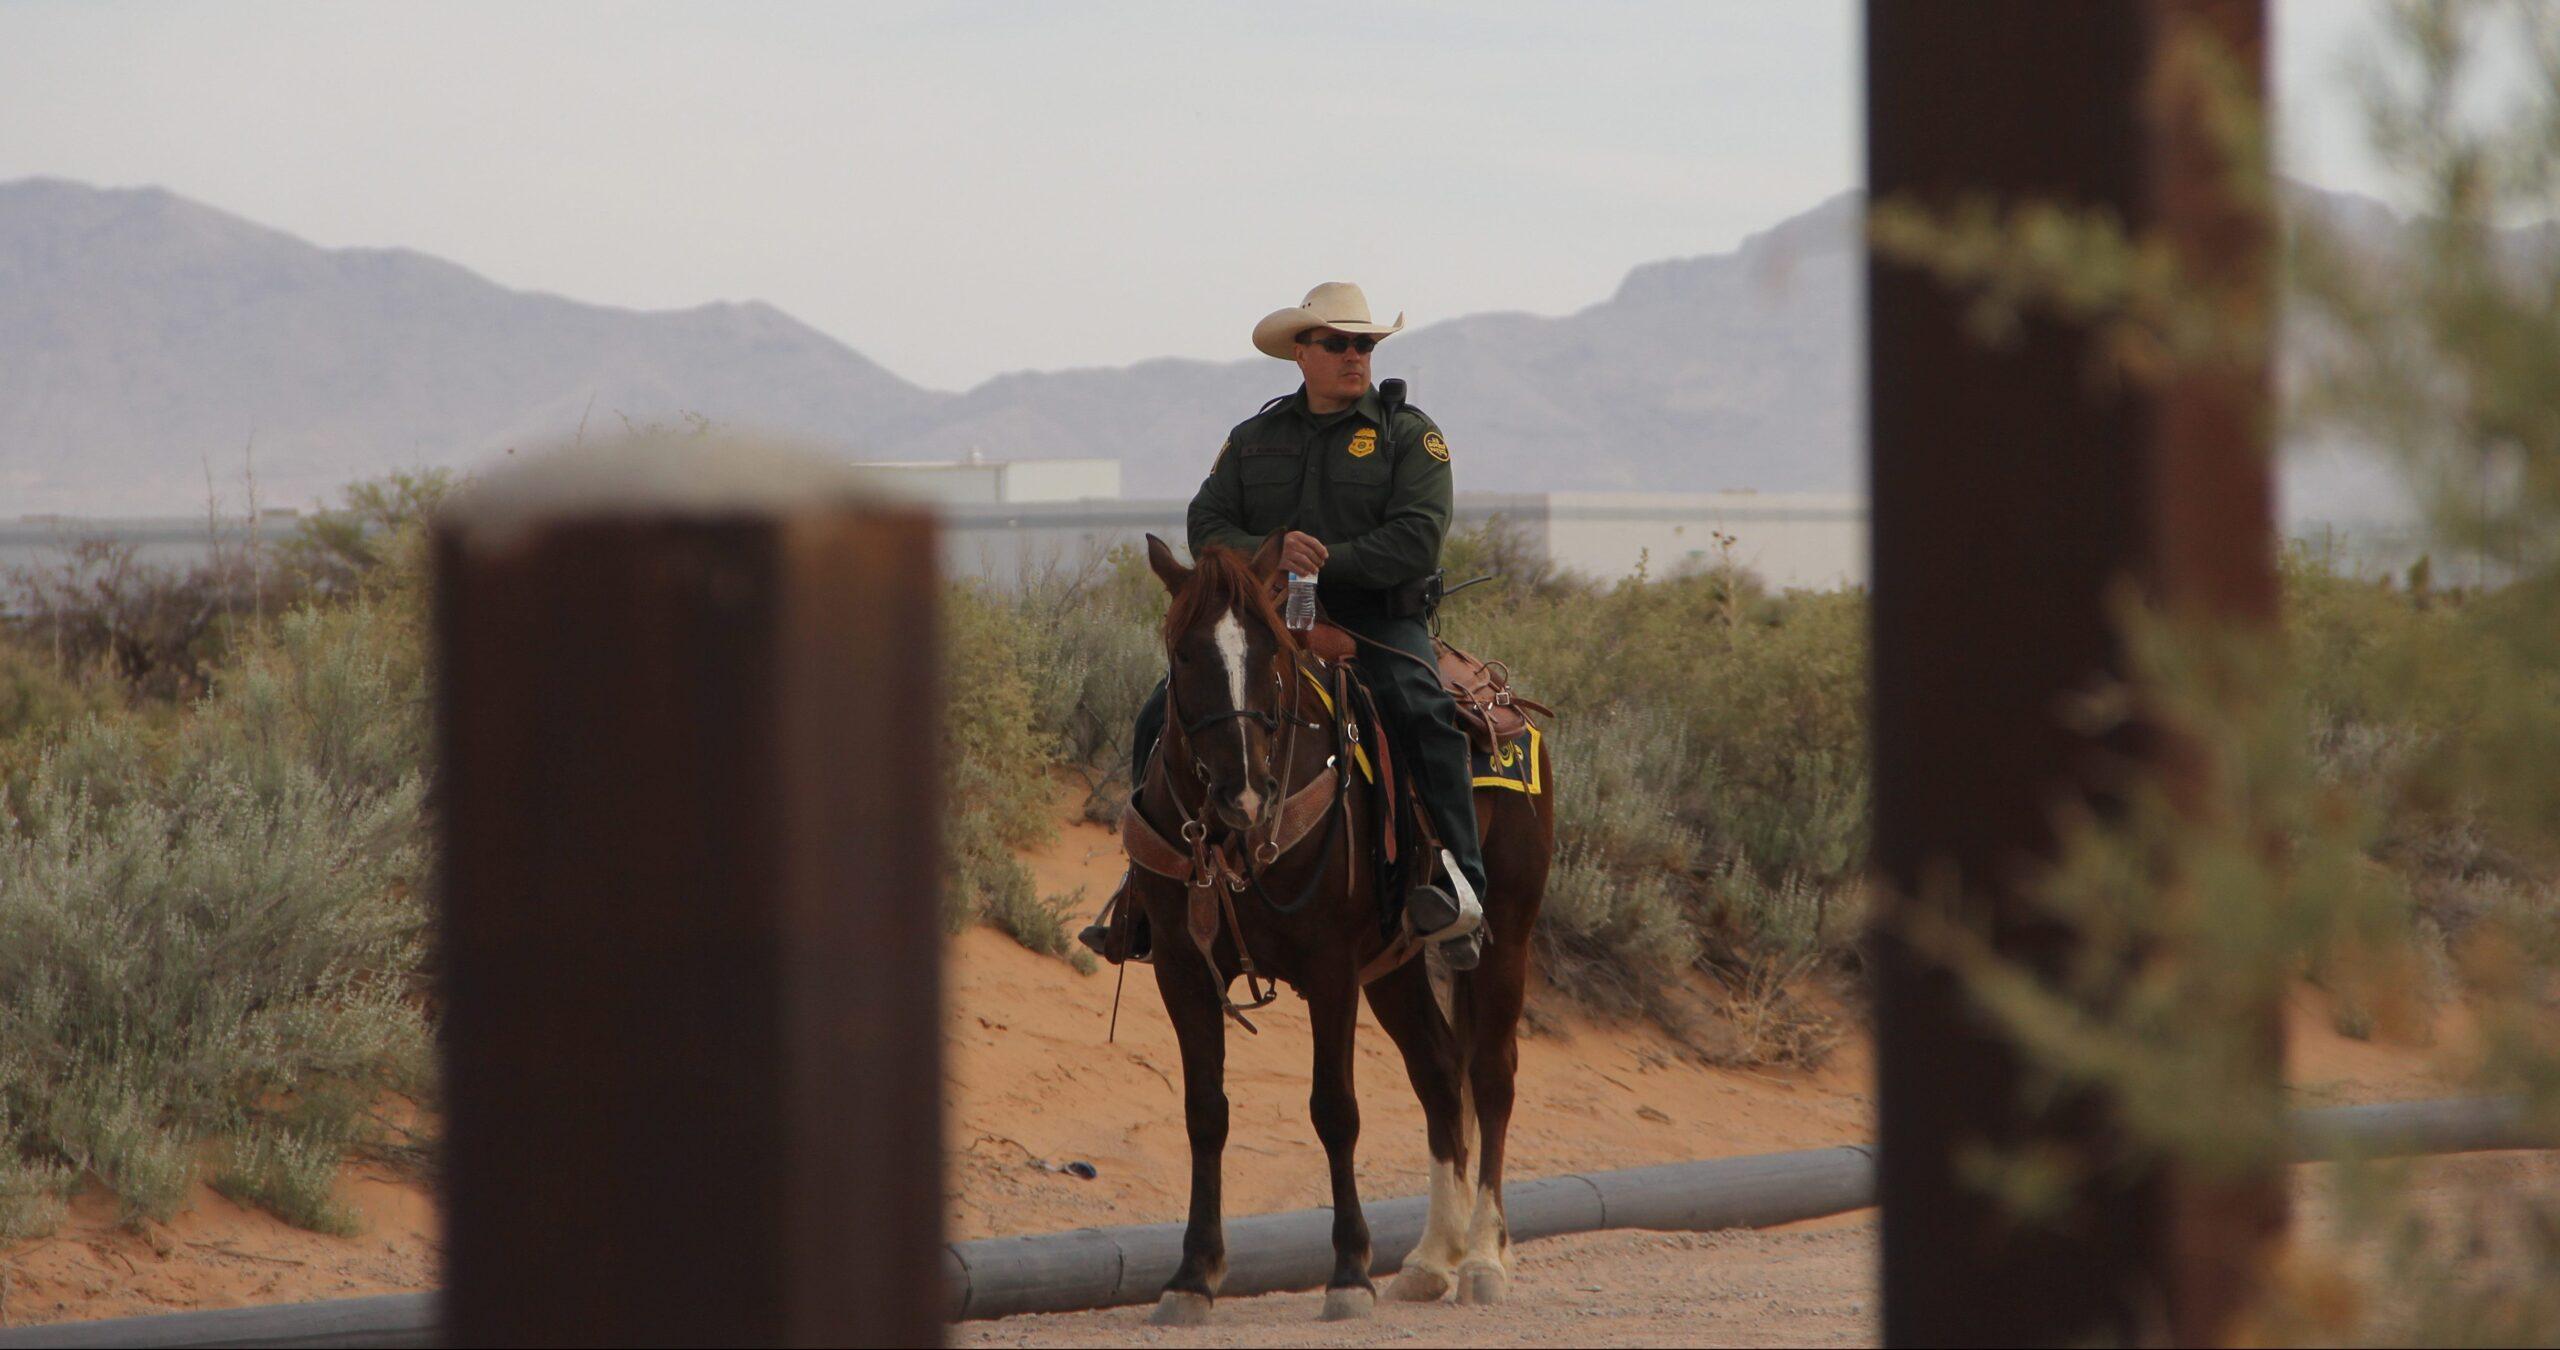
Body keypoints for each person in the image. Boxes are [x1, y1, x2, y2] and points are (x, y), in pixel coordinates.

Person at [1081, 281, 1488, 970]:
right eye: (1338, 343)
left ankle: (1461, 890)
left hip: (1376, 623)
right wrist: (1266, 553)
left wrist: (1322, 563)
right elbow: (1206, 523)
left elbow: (1417, 540)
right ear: (1302, 351)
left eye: (1364, 344)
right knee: (1161, 713)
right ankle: (1145, 888)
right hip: (1268, 621)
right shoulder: (1253, 438)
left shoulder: (1408, 435)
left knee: (1423, 713)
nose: (1355, 355)